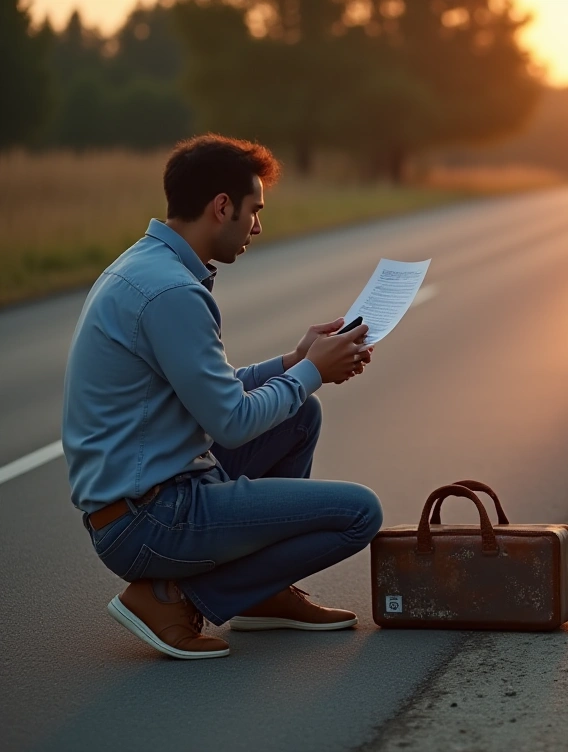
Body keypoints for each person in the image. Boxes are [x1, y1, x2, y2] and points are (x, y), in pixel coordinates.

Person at [62, 134, 382, 660]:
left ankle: (261, 594)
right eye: (254, 211)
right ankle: (172, 599)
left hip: (154, 493)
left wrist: (294, 361)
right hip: (148, 520)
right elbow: (231, 422)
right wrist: (313, 372)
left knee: (300, 415)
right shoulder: (172, 292)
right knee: (360, 513)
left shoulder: (148, 266)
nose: (257, 226)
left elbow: (213, 391)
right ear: (221, 207)